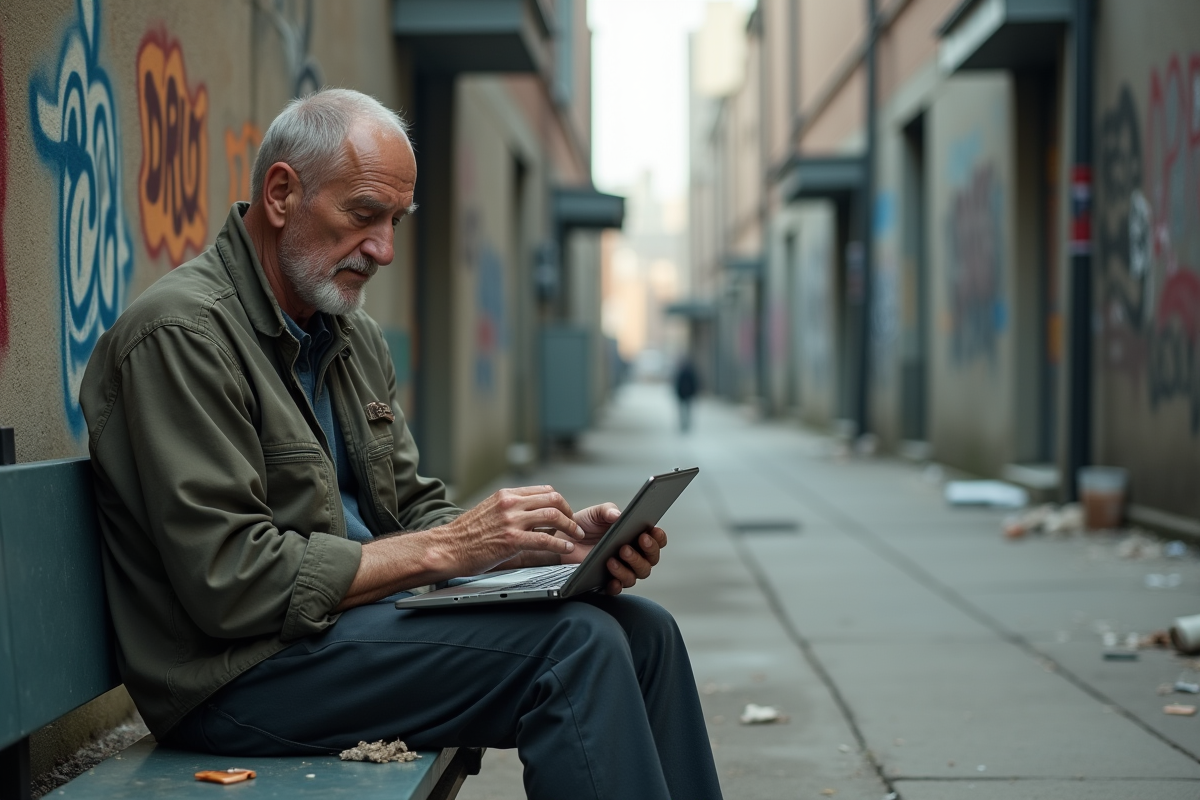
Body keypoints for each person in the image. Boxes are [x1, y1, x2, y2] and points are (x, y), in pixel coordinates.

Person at [80, 89, 722, 800]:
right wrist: (448, 549)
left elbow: (415, 511)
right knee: (576, 648)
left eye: (394, 221)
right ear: (282, 193)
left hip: (350, 638)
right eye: (363, 216)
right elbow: (232, 584)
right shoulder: (181, 335)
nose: (383, 248)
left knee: (643, 632)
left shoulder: (351, 337)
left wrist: (547, 552)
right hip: (238, 679)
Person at [674, 357, 699, 432]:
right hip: (687, 394)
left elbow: (677, 384)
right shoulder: (690, 372)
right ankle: (686, 423)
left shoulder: (681, 372)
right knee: (687, 410)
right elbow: (694, 383)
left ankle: (684, 424)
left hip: (683, 394)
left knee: (683, 410)